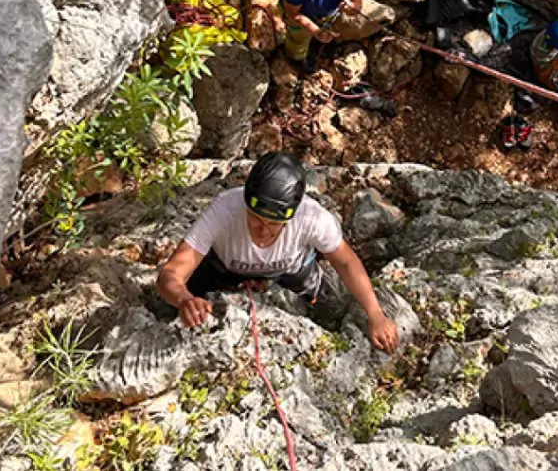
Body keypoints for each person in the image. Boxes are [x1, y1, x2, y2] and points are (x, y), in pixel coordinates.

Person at [156, 152, 399, 354]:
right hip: (224, 271)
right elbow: (171, 273)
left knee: (325, 306)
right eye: (255, 218)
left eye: (273, 224)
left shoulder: (312, 218)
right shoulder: (225, 210)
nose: (263, 230)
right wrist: (184, 299)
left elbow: (346, 262)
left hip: (292, 273)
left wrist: (375, 313)